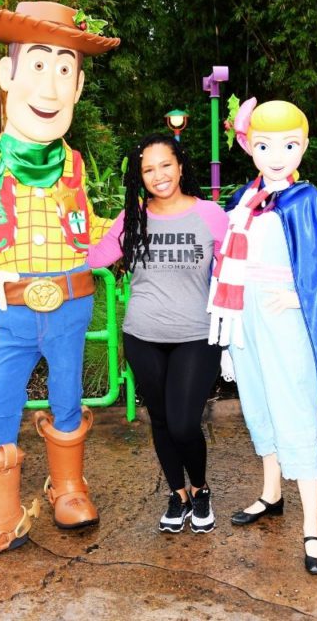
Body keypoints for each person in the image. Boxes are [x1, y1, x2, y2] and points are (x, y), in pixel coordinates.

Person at [0, 1, 119, 564]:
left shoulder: (75, 166)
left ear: (78, 87)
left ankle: (68, 489)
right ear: (9, 76)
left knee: (67, 393)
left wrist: (141, 221)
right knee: (0, 404)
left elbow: (89, 231)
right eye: (39, 67)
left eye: (64, 71)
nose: (51, 86)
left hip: (70, 302)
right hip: (9, 309)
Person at [208, 99, 317, 575]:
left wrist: (301, 295)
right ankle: (270, 495)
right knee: (259, 405)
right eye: (265, 144)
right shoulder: (242, 201)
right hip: (244, 317)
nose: (277, 154)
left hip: (285, 319)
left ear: (303, 147)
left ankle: (313, 526)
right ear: (249, 146)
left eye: (288, 144)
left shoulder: (306, 201)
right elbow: (224, 258)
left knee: (294, 408)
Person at [88, 133, 227, 533]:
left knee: (184, 423)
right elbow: (95, 256)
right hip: (143, 335)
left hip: (196, 336)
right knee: (162, 420)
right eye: (148, 169)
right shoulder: (134, 217)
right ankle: (177, 494)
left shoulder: (211, 215)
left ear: (181, 166)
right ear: (140, 176)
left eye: (165, 165)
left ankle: (200, 490)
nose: (158, 175)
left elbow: (238, 267)